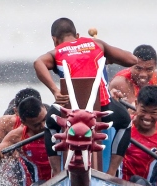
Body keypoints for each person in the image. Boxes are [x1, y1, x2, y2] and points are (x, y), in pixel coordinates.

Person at [33, 17, 139, 177]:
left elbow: (38, 63)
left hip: (69, 112)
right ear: (77, 35)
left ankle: (57, 173)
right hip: (103, 109)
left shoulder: (57, 52)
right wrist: (107, 56)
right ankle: (110, 173)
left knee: (50, 125)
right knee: (125, 122)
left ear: (54, 40)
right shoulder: (97, 44)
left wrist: (55, 91)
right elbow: (132, 60)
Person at [0, 97, 51, 186]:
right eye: (37, 125)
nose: (44, 126)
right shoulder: (17, 136)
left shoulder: (59, 122)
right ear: (23, 122)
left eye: (44, 119)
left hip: (62, 181)